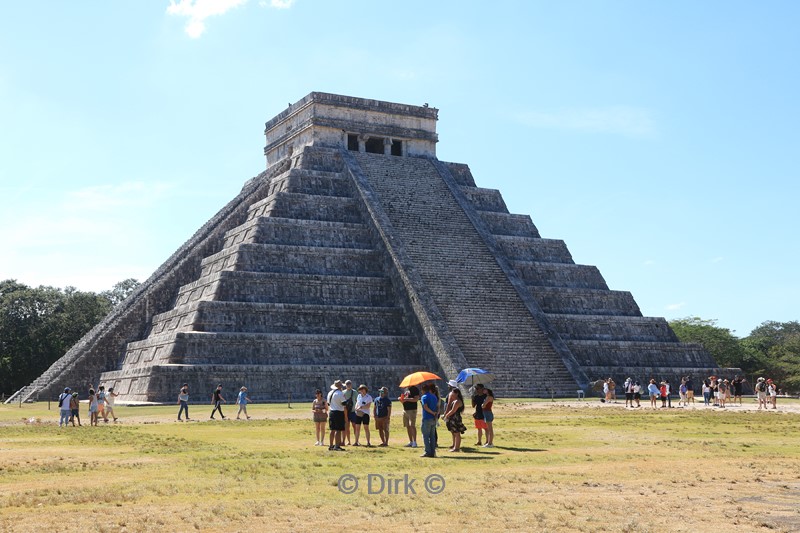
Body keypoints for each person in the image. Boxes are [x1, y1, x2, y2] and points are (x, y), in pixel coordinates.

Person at [443, 381, 467, 452]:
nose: (451, 394)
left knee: (456, 433)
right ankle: (455, 446)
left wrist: (446, 415)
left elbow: (453, 410)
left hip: (455, 417)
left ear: (456, 394)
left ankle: (456, 448)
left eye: (453, 393)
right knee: (454, 432)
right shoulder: (456, 400)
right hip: (454, 417)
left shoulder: (457, 401)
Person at [419, 383, 439, 458]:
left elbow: (425, 407)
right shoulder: (434, 396)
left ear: (423, 390)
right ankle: (433, 452)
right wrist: (435, 414)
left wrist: (432, 413)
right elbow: (437, 406)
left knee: (426, 436)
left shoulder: (424, 397)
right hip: (433, 419)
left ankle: (427, 451)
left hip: (427, 418)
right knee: (432, 436)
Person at [327, 380, 346, 451]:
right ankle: (337, 445)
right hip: (338, 412)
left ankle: (331, 445)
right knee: (338, 430)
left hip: (332, 411)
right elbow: (344, 403)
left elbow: (328, 403)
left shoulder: (330, 393)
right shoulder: (340, 393)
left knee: (332, 429)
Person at [342, 380, 357, 446]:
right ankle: (348, 441)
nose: (348, 385)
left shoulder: (354, 392)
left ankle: (356, 440)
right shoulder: (343, 392)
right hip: (346, 412)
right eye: (347, 384)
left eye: (349, 384)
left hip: (353, 411)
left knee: (355, 426)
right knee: (347, 427)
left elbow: (357, 401)